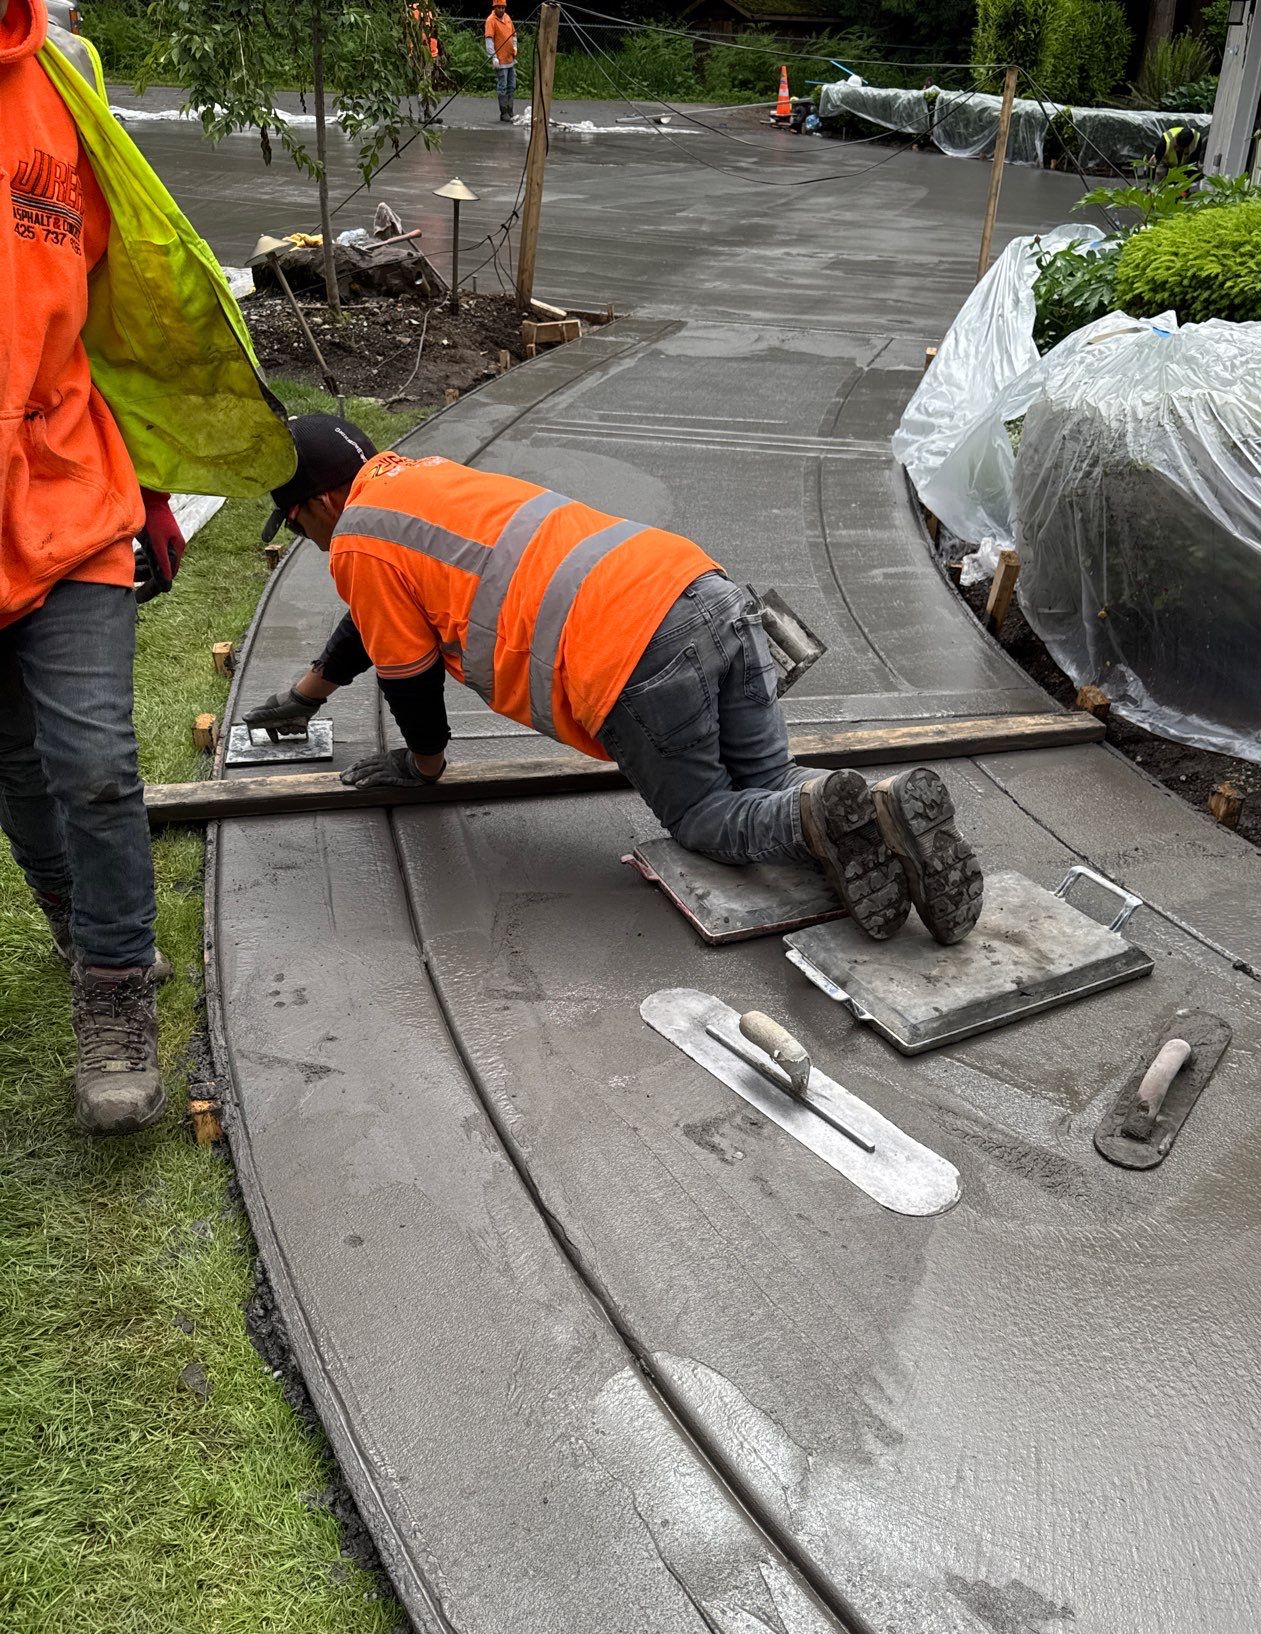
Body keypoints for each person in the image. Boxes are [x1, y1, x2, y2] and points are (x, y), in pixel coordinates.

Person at [244, 416, 984, 946]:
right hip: (706, 589)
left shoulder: (358, 540)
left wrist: (423, 765)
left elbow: (407, 675)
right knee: (772, 777)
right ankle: (873, 806)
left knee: (706, 818)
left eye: (299, 525)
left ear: (315, 505)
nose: (311, 542)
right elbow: (378, 619)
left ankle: (813, 820)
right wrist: (311, 693)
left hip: (637, 654)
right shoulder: (424, 479)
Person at [1, 0, 295, 1132]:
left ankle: (116, 997)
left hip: (69, 487)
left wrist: (158, 488)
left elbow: (129, 309)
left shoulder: (63, 70)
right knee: (19, 771)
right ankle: (87, 935)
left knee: (93, 760)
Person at [484, 0, 517, 124]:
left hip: (510, 59)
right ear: (494, 7)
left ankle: (510, 110)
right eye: (499, 7)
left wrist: (515, 47)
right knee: (502, 86)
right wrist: (493, 56)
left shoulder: (508, 18)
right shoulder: (491, 20)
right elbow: (489, 40)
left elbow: (514, 35)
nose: (501, 10)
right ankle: (504, 112)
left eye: (503, 7)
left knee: (511, 85)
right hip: (500, 60)